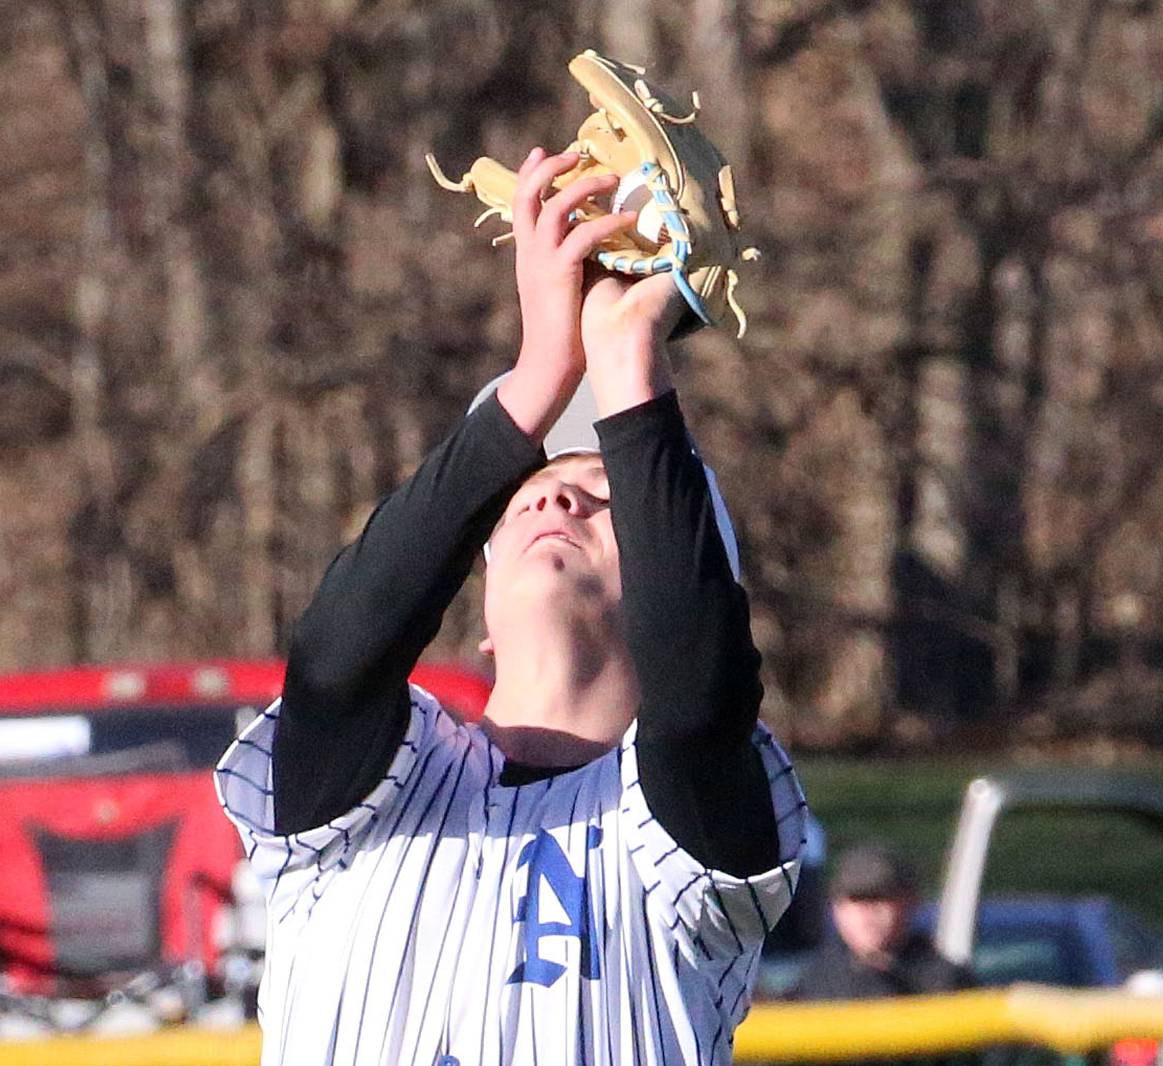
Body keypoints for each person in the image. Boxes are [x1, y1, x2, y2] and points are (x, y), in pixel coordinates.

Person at [216, 147, 807, 1065]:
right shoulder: (374, 793)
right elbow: (334, 658)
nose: (556, 495)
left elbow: (697, 694)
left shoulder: (679, 840)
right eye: (526, 494)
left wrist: (627, 355)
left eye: (606, 497)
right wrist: (539, 375)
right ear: (482, 617)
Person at [793, 843, 975, 1000]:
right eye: (857, 899)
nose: (868, 912)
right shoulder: (810, 991)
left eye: (880, 897)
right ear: (835, 908)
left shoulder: (951, 986)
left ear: (911, 901)